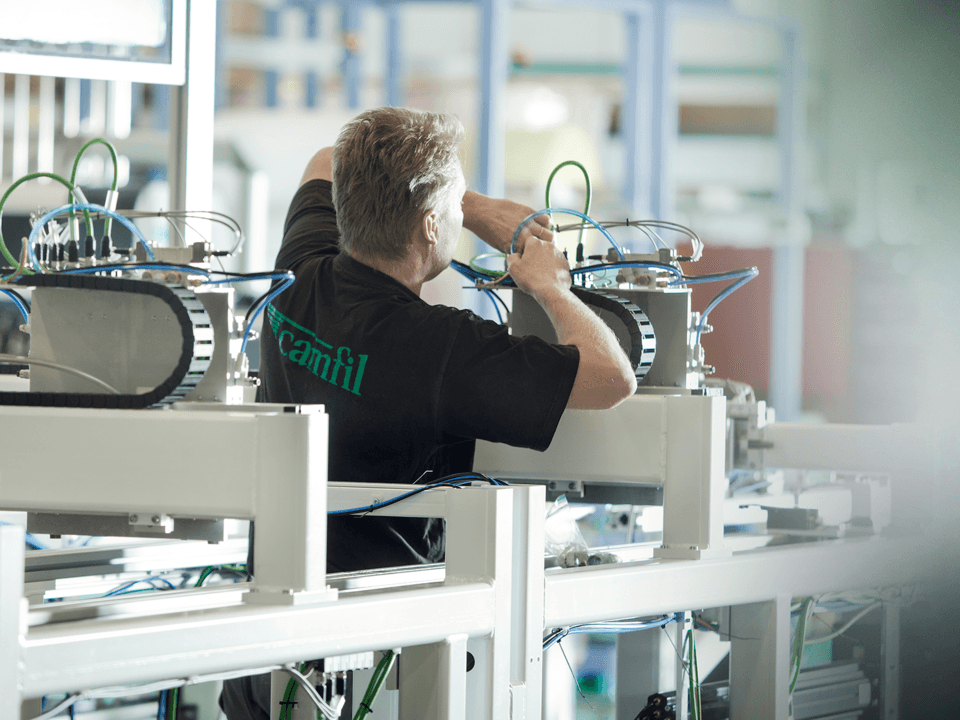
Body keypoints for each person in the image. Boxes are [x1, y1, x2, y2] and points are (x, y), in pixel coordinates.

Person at [220, 107, 635, 720]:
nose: (461, 219)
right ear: (427, 223)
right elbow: (612, 378)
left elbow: (320, 163)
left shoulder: (300, 273)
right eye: (454, 209)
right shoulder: (440, 348)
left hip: (263, 650)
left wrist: (467, 201)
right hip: (374, 671)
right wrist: (550, 287)